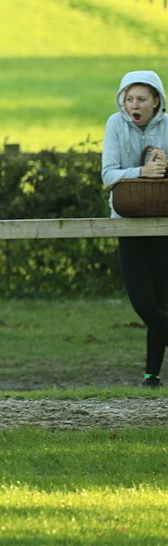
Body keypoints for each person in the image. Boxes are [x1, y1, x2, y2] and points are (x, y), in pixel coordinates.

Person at [101, 70, 168, 388]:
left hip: (164, 223)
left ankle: (151, 376)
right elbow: (108, 175)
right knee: (144, 305)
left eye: (141, 99)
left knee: (163, 302)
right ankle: (151, 376)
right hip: (127, 221)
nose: (134, 105)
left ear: (156, 101)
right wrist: (142, 170)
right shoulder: (115, 124)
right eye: (129, 99)